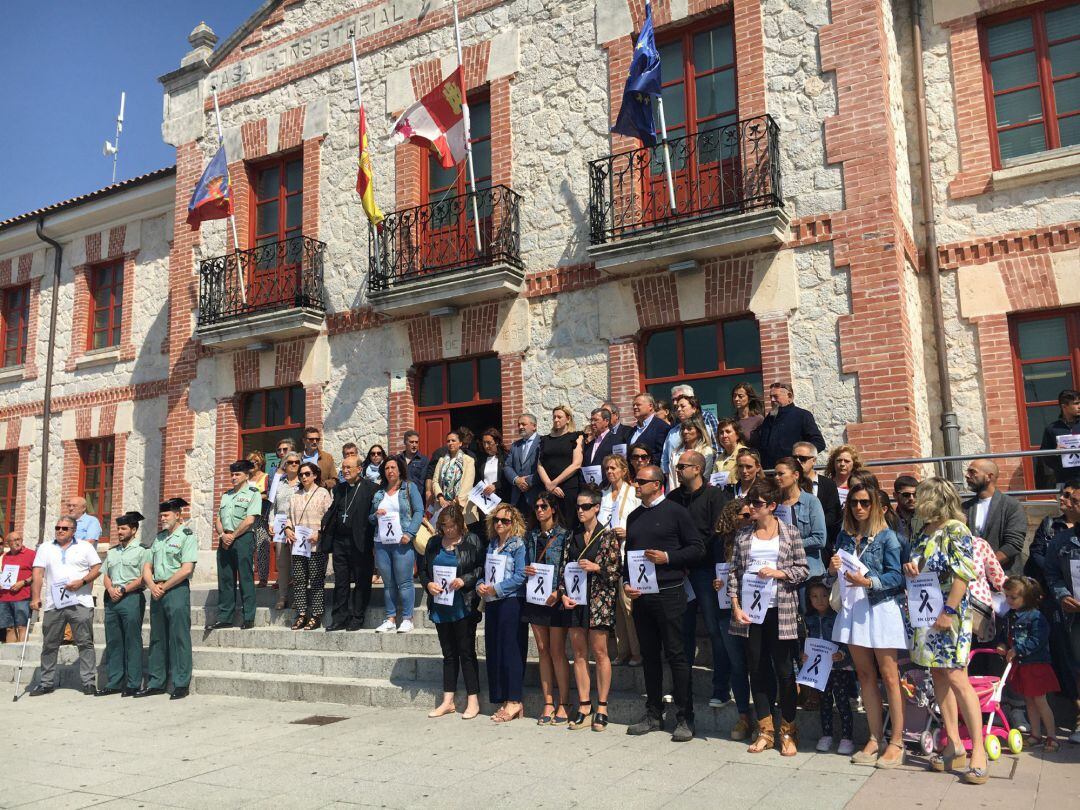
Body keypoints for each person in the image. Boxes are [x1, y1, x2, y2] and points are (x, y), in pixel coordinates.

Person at [904, 477, 988, 784]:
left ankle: (977, 749)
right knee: (937, 674)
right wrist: (911, 568)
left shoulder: (956, 528)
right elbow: (918, 568)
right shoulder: (921, 530)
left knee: (956, 676)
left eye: (920, 495)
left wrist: (949, 611)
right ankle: (952, 743)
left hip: (949, 614)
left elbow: (964, 574)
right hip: (925, 613)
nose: (914, 501)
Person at [828, 481, 908, 767]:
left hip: (880, 607)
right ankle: (875, 737)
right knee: (863, 675)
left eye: (865, 502)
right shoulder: (845, 536)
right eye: (854, 503)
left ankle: (897, 741)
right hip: (853, 608)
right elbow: (835, 573)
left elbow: (897, 577)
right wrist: (832, 568)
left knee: (889, 676)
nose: (859, 507)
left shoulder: (888, 537)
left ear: (875, 506)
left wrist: (869, 581)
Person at [727, 477, 809, 756]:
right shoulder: (743, 535)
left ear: (772, 505)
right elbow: (734, 573)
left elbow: (802, 570)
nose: (751, 507)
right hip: (751, 612)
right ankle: (766, 730)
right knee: (758, 670)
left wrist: (780, 573)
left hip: (781, 610)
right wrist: (736, 606)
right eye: (750, 502)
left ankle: (788, 729)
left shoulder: (790, 533)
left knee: (785, 671)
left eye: (757, 503)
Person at [623, 465, 704, 742]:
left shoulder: (676, 512)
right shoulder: (634, 517)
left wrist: (667, 558)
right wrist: (626, 583)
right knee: (649, 656)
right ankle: (653, 713)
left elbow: (696, 548)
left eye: (641, 481)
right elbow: (629, 557)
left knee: (677, 656)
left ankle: (685, 717)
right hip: (642, 596)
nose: (636, 484)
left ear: (657, 485)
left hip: (670, 593)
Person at [669, 450, 732, 711]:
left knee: (716, 630)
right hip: (679, 573)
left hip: (706, 571)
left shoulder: (715, 497)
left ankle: (721, 688)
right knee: (681, 632)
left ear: (697, 469)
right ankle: (681, 689)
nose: (677, 469)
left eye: (682, 466)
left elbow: (717, 533)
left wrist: (690, 557)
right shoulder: (673, 498)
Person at [562, 484, 621, 731]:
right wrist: (563, 594)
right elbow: (564, 567)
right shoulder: (572, 536)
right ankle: (584, 705)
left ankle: (603, 706)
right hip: (576, 599)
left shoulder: (607, 536)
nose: (580, 511)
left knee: (600, 652)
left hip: (599, 601)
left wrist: (597, 568)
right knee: (578, 653)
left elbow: (616, 571)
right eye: (578, 507)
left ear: (597, 508)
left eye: (585, 507)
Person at [420, 504, 484, 719]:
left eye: (452, 526)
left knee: (466, 653)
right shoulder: (433, 543)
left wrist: (464, 580)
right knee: (448, 654)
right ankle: (448, 700)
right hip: (440, 606)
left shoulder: (472, 540)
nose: (448, 530)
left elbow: (480, 568)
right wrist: (428, 584)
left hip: (463, 605)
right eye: (445, 526)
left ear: (460, 524)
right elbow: (423, 570)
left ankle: (473, 699)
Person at [28, 515, 101, 696]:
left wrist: (82, 582)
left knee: (85, 643)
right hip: (54, 604)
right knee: (50, 644)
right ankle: (46, 682)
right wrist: (35, 597)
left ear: (73, 531)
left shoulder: (85, 546)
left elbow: (97, 568)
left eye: (64, 528)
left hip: (80, 602)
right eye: (58, 527)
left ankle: (88, 682)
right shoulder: (45, 548)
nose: (60, 530)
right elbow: (37, 573)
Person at [138, 498, 198, 699]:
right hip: (157, 590)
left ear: (178, 515)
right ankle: (156, 681)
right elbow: (147, 566)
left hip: (176, 590)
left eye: (166, 515)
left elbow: (186, 568)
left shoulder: (186, 536)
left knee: (179, 636)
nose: (162, 518)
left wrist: (163, 586)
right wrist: (152, 585)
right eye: (161, 515)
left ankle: (181, 683)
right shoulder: (159, 538)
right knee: (157, 637)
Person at [521, 491, 571, 725]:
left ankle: (564, 702)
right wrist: (526, 570)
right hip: (535, 598)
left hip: (554, 598)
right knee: (542, 649)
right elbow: (523, 564)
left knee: (557, 650)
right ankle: (548, 702)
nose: (539, 510)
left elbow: (568, 566)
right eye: (537, 507)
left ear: (553, 509)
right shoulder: (530, 536)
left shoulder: (563, 535)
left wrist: (560, 591)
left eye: (544, 506)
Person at [476, 503, 528, 722]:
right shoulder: (491, 545)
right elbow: (486, 572)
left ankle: (514, 701)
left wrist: (496, 588)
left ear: (513, 523)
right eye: (496, 520)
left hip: (511, 601)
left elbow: (521, 575)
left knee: (511, 650)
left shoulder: (518, 546)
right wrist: (480, 584)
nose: (499, 523)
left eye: (505, 520)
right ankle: (503, 698)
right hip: (492, 601)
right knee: (495, 649)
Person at [999, 576, 1060, 751]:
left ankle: (1052, 736)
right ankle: (1035, 734)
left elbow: (1037, 640)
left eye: (1013, 597)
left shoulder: (1035, 617)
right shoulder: (1011, 615)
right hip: (1023, 665)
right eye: (1007, 596)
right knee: (1029, 701)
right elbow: (1006, 636)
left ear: (1027, 597)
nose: (1008, 600)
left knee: (1040, 701)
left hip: (1036, 665)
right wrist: (1003, 645)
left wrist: (1017, 649)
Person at [711, 499, 754, 740]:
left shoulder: (758, 539)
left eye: (750, 516)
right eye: (743, 516)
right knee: (737, 665)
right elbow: (713, 572)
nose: (748, 520)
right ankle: (743, 716)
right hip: (727, 610)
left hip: (755, 609)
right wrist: (716, 583)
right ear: (732, 517)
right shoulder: (720, 543)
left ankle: (766, 718)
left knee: (758, 665)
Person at [321, 455, 378, 631]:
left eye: (349, 467)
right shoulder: (340, 488)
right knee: (341, 582)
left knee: (361, 581)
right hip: (340, 541)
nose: (345, 470)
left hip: (361, 542)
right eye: (343, 467)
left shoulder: (371, 488)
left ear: (359, 469)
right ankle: (339, 618)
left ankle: (357, 617)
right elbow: (333, 511)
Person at [1043, 485, 1080, 743]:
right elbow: (1052, 574)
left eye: (1076, 500)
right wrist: (1061, 595)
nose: (1071, 504)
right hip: (1075, 618)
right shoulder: (1061, 540)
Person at [97, 511, 149, 696]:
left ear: (134, 530)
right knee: (114, 641)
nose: (119, 531)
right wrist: (111, 589)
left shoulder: (143, 550)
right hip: (111, 599)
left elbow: (144, 577)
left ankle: (134, 683)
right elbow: (107, 575)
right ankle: (114, 682)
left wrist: (124, 589)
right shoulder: (112, 551)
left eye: (123, 528)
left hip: (131, 598)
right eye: (118, 528)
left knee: (132, 640)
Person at [370, 457, 424, 633]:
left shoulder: (409, 488)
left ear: (400, 470)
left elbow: (419, 511)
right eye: (386, 468)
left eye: (393, 467)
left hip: (402, 542)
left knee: (405, 582)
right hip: (382, 543)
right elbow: (370, 518)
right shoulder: (379, 493)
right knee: (388, 583)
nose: (390, 471)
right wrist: (375, 514)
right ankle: (390, 618)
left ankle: (407, 619)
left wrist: (410, 533)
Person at [804, 580, 855, 755]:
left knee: (842, 701)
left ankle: (847, 738)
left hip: (839, 667)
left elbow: (847, 638)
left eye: (825, 595)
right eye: (815, 596)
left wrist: (842, 653)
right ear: (809, 599)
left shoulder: (838, 616)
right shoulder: (807, 619)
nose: (820, 600)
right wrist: (803, 655)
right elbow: (804, 641)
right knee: (824, 702)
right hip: (820, 670)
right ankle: (827, 735)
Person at [210, 459, 262, 630]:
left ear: (246, 476)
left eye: (237, 474)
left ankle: (249, 617)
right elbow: (218, 518)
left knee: (245, 577)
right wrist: (222, 534)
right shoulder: (226, 495)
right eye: (232, 474)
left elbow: (250, 519)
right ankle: (225, 616)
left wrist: (233, 535)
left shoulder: (253, 493)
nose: (233, 477)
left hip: (243, 538)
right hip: (225, 539)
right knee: (225, 579)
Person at [602, 454, 642, 668]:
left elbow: (642, 520)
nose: (610, 472)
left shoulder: (633, 492)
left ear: (624, 470)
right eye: (607, 468)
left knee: (628, 606)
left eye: (614, 468)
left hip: (628, 552)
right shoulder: (605, 495)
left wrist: (628, 532)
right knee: (615, 607)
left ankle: (637, 652)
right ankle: (622, 651)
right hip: (610, 555)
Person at [287, 461, 334, 630]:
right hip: (299, 545)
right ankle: (301, 614)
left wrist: (320, 533)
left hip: (316, 545)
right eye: (301, 474)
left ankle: (316, 614)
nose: (304, 477)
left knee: (316, 580)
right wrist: (287, 529)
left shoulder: (323, 494)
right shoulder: (295, 495)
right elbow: (288, 517)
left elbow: (329, 518)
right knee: (299, 580)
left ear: (315, 475)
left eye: (307, 474)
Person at [963, 459, 1027, 572]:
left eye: (972, 472)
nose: (967, 475)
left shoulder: (1012, 506)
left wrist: (984, 565)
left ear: (989, 476)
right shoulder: (965, 507)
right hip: (972, 579)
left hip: (1004, 577)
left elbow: (1013, 545)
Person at [774, 457, 827, 579]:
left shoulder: (811, 501)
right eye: (775, 474)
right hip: (783, 571)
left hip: (809, 571)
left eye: (781, 474)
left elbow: (820, 539)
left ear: (796, 475)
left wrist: (791, 544)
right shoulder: (775, 504)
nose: (776, 477)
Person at [750, 382, 825, 469]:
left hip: (793, 472)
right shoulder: (769, 418)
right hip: (770, 473)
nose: (772, 400)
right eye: (771, 397)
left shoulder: (802, 416)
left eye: (776, 396)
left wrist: (800, 459)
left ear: (789, 396)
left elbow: (819, 443)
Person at [538, 405, 584, 528]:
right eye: (554, 417)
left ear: (568, 419)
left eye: (559, 417)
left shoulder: (576, 437)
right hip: (549, 490)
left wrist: (555, 482)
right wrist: (549, 485)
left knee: (568, 524)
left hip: (568, 489)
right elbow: (540, 464)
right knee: (550, 525)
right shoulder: (545, 440)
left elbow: (576, 464)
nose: (556, 420)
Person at [794, 442, 843, 552]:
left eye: (802, 458)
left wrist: (814, 526)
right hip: (795, 545)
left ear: (814, 461)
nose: (797, 462)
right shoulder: (789, 485)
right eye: (794, 458)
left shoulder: (828, 484)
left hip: (822, 546)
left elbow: (833, 514)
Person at [660, 393, 719, 478]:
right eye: (677, 408)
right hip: (674, 481)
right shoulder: (672, 432)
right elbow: (665, 456)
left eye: (682, 406)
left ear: (694, 408)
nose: (679, 410)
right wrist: (667, 474)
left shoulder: (705, 429)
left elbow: (715, 451)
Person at [271, 451, 302, 610]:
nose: (294, 465)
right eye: (290, 462)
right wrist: (270, 521)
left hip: (297, 527)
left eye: (297, 462)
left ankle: (298, 598)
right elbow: (273, 505)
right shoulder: (279, 483)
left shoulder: (303, 483)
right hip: (280, 527)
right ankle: (282, 597)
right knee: (282, 564)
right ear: (285, 465)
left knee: (297, 564)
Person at [433, 430, 480, 530]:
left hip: (460, 505)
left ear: (460, 443)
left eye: (453, 440)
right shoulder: (441, 461)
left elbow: (468, 483)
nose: (450, 443)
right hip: (443, 505)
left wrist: (455, 502)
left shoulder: (468, 460)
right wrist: (441, 498)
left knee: (460, 534)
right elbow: (435, 481)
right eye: (448, 441)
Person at [1038, 389, 1080, 488]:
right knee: (1066, 504)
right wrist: (1055, 453)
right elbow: (1045, 456)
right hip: (1064, 481)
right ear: (1064, 406)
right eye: (1076, 403)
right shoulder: (1052, 429)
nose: (1079, 406)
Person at [664, 416, 715, 491]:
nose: (685, 432)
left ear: (699, 431)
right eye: (683, 429)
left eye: (689, 429)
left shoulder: (706, 451)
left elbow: (704, 475)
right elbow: (672, 478)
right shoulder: (675, 452)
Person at [0, 531, 34, 643]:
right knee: (9, 628)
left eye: (18, 539)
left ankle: (21, 657)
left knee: (21, 626)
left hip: (22, 596)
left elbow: (37, 574)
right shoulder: (5, 556)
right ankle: (10, 658)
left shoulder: (31, 554)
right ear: (8, 543)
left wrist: (23, 582)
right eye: (13, 540)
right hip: (4, 597)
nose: (17, 542)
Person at [504, 413, 542, 509]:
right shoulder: (515, 445)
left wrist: (528, 481)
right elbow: (507, 466)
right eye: (519, 424)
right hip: (517, 497)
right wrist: (516, 480)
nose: (520, 427)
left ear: (534, 426)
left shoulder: (542, 442)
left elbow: (546, 467)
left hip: (536, 496)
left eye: (523, 424)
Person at [246, 450, 272, 588]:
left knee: (262, 548)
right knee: (248, 549)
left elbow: (268, 495)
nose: (253, 463)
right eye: (251, 461)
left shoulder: (266, 477)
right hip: (246, 518)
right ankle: (248, 578)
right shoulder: (245, 479)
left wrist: (255, 497)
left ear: (261, 462)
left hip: (261, 517)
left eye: (256, 461)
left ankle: (263, 578)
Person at [628, 393, 669, 463]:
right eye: (633, 405)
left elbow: (661, 454)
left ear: (650, 406)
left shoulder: (661, 427)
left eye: (638, 405)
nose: (634, 407)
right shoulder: (632, 431)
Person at [476, 428, 511, 506]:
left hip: (502, 498)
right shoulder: (481, 460)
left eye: (489, 443)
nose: (486, 446)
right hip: (485, 501)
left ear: (497, 442)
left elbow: (509, 478)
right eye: (484, 443)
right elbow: (477, 479)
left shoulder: (506, 457)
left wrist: (496, 486)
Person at [582, 407, 619, 477]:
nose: (592, 423)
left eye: (596, 420)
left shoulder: (615, 440)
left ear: (606, 421)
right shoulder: (590, 443)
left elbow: (619, 464)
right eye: (591, 420)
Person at [892, 474, 919, 544]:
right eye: (906, 495)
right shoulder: (890, 521)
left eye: (915, 494)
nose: (911, 498)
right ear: (895, 496)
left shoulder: (925, 519)